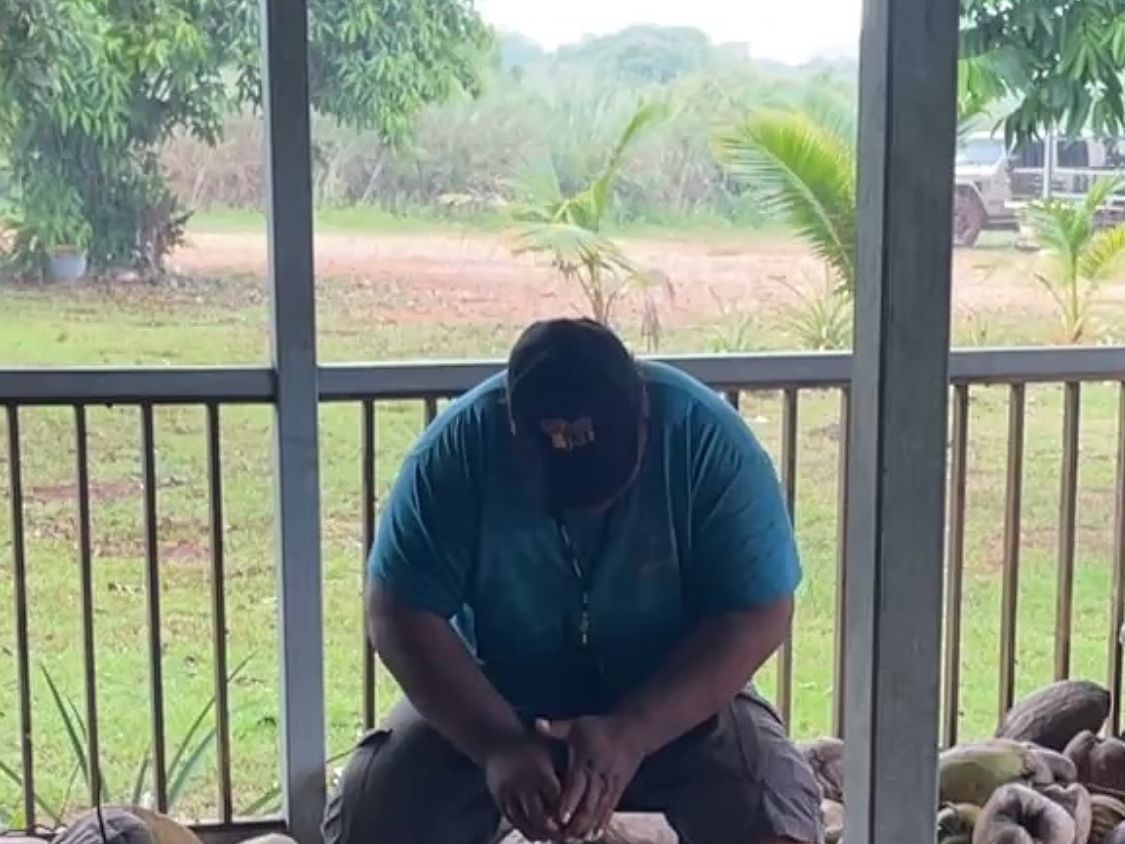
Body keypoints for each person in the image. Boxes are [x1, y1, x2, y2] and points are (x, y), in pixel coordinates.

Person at [323, 318, 822, 844]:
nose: (588, 505)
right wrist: (495, 744)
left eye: (610, 483)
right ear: (511, 431)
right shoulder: (456, 453)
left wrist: (636, 729)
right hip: (494, 695)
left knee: (773, 808)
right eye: (559, 491)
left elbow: (760, 611)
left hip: (672, 692)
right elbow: (398, 610)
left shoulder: (708, 441)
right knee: (371, 809)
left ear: (644, 415)